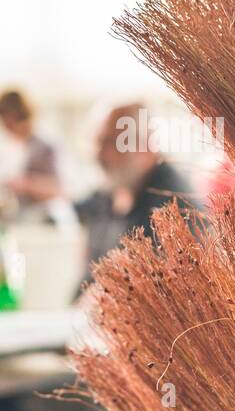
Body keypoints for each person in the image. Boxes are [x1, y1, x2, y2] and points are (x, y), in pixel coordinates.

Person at [75, 102, 203, 287]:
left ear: (145, 147)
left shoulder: (175, 205)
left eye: (110, 142)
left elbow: (154, 288)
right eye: (97, 141)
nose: (99, 154)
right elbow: (88, 278)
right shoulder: (109, 194)